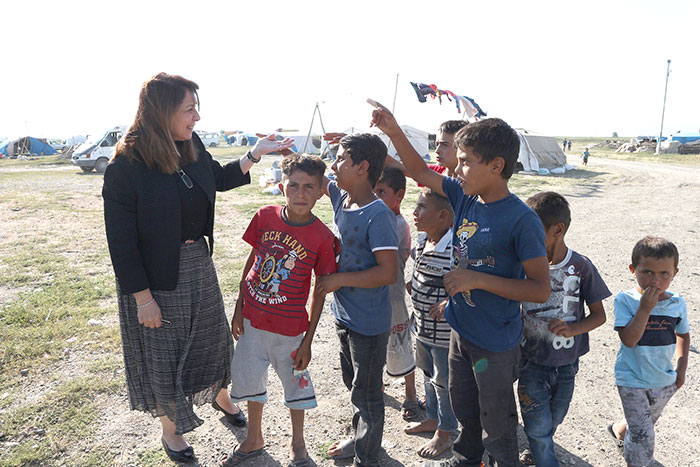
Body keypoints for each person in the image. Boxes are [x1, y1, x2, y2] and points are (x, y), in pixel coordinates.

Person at [102, 72, 292, 464]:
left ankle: (220, 396)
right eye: (189, 109)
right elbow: (121, 244)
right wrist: (143, 299)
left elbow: (217, 178)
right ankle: (171, 431)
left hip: (195, 263)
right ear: (163, 111)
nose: (197, 118)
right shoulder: (126, 167)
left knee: (212, 337)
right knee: (166, 351)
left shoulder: (188, 144)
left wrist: (254, 154)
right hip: (155, 277)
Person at [370, 103, 550, 467]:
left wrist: (477, 280)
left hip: (495, 343)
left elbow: (539, 289)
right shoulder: (465, 196)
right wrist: (392, 131)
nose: (457, 166)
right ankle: (468, 458)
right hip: (460, 332)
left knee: (496, 419)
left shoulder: (521, 220)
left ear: (497, 166)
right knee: (464, 406)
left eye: (466, 160)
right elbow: (420, 170)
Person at [220, 154, 339, 466]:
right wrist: (238, 307)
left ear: (320, 191)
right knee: (250, 381)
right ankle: (254, 437)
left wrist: (308, 340)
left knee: (297, 387)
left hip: (290, 332)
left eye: (308, 187)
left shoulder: (323, 237)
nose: (300, 194)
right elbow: (253, 261)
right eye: (293, 186)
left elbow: (321, 291)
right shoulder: (265, 216)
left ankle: (298, 445)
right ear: (281, 185)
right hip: (252, 323)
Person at [315, 133, 399, 466]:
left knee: (367, 395)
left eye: (340, 159)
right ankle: (360, 437)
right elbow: (319, 178)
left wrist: (339, 279)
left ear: (362, 167)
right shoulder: (342, 197)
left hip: (368, 323)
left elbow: (387, 272)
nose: (333, 166)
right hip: (344, 315)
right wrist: (283, 152)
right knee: (354, 384)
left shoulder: (378, 216)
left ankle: (367, 456)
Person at [517, 192, 611, 467]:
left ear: (558, 230)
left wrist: (574, 329)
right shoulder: (521, 266)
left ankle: (539, 445)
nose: (525, 239)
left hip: (568, 364)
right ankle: (544, 454)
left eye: (532, 231)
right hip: (530, 361)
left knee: (555, 417)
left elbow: (599, 316)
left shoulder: (581, 266)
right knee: (537, 424)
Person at [608, 237, 690, 467]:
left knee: (644, 423)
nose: (656, 280)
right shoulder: (626, 300)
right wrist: (645, 308)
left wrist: (681, 369)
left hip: (664, 380)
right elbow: (629, 340)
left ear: (675, 273)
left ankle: (619, 430)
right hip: (632, 379)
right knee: (644, 435)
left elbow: (683, 334)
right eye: (647, 272)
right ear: (633, 270)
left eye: (664, 273)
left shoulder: (677, 303)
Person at [404, 187, 459, 459]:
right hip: (422, 328)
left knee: (442, 382)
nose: (415, 212)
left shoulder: (455, 247)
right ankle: (433, 419)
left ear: (443, 216)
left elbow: (468, 284)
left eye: (422, 207)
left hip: (444, 334)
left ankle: (446, 432)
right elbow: (420, 272)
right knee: (427, 375)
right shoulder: (423, 239)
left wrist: (450, 303)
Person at [373, 167, 418, 420]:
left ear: (399, 195)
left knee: (401, 342)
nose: (375, 196)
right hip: (374, 296)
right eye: (373, 191)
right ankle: (377, 386)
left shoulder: (398, 224)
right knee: (375, 343)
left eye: (381, 192)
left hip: (393, 296)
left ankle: (410, 393)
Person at [384, 120, 467, 182]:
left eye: (445, 145)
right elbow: (404, 167)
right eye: (437, 144)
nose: (437, 151)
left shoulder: (468, 184)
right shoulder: (437, 171)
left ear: (462, 148)